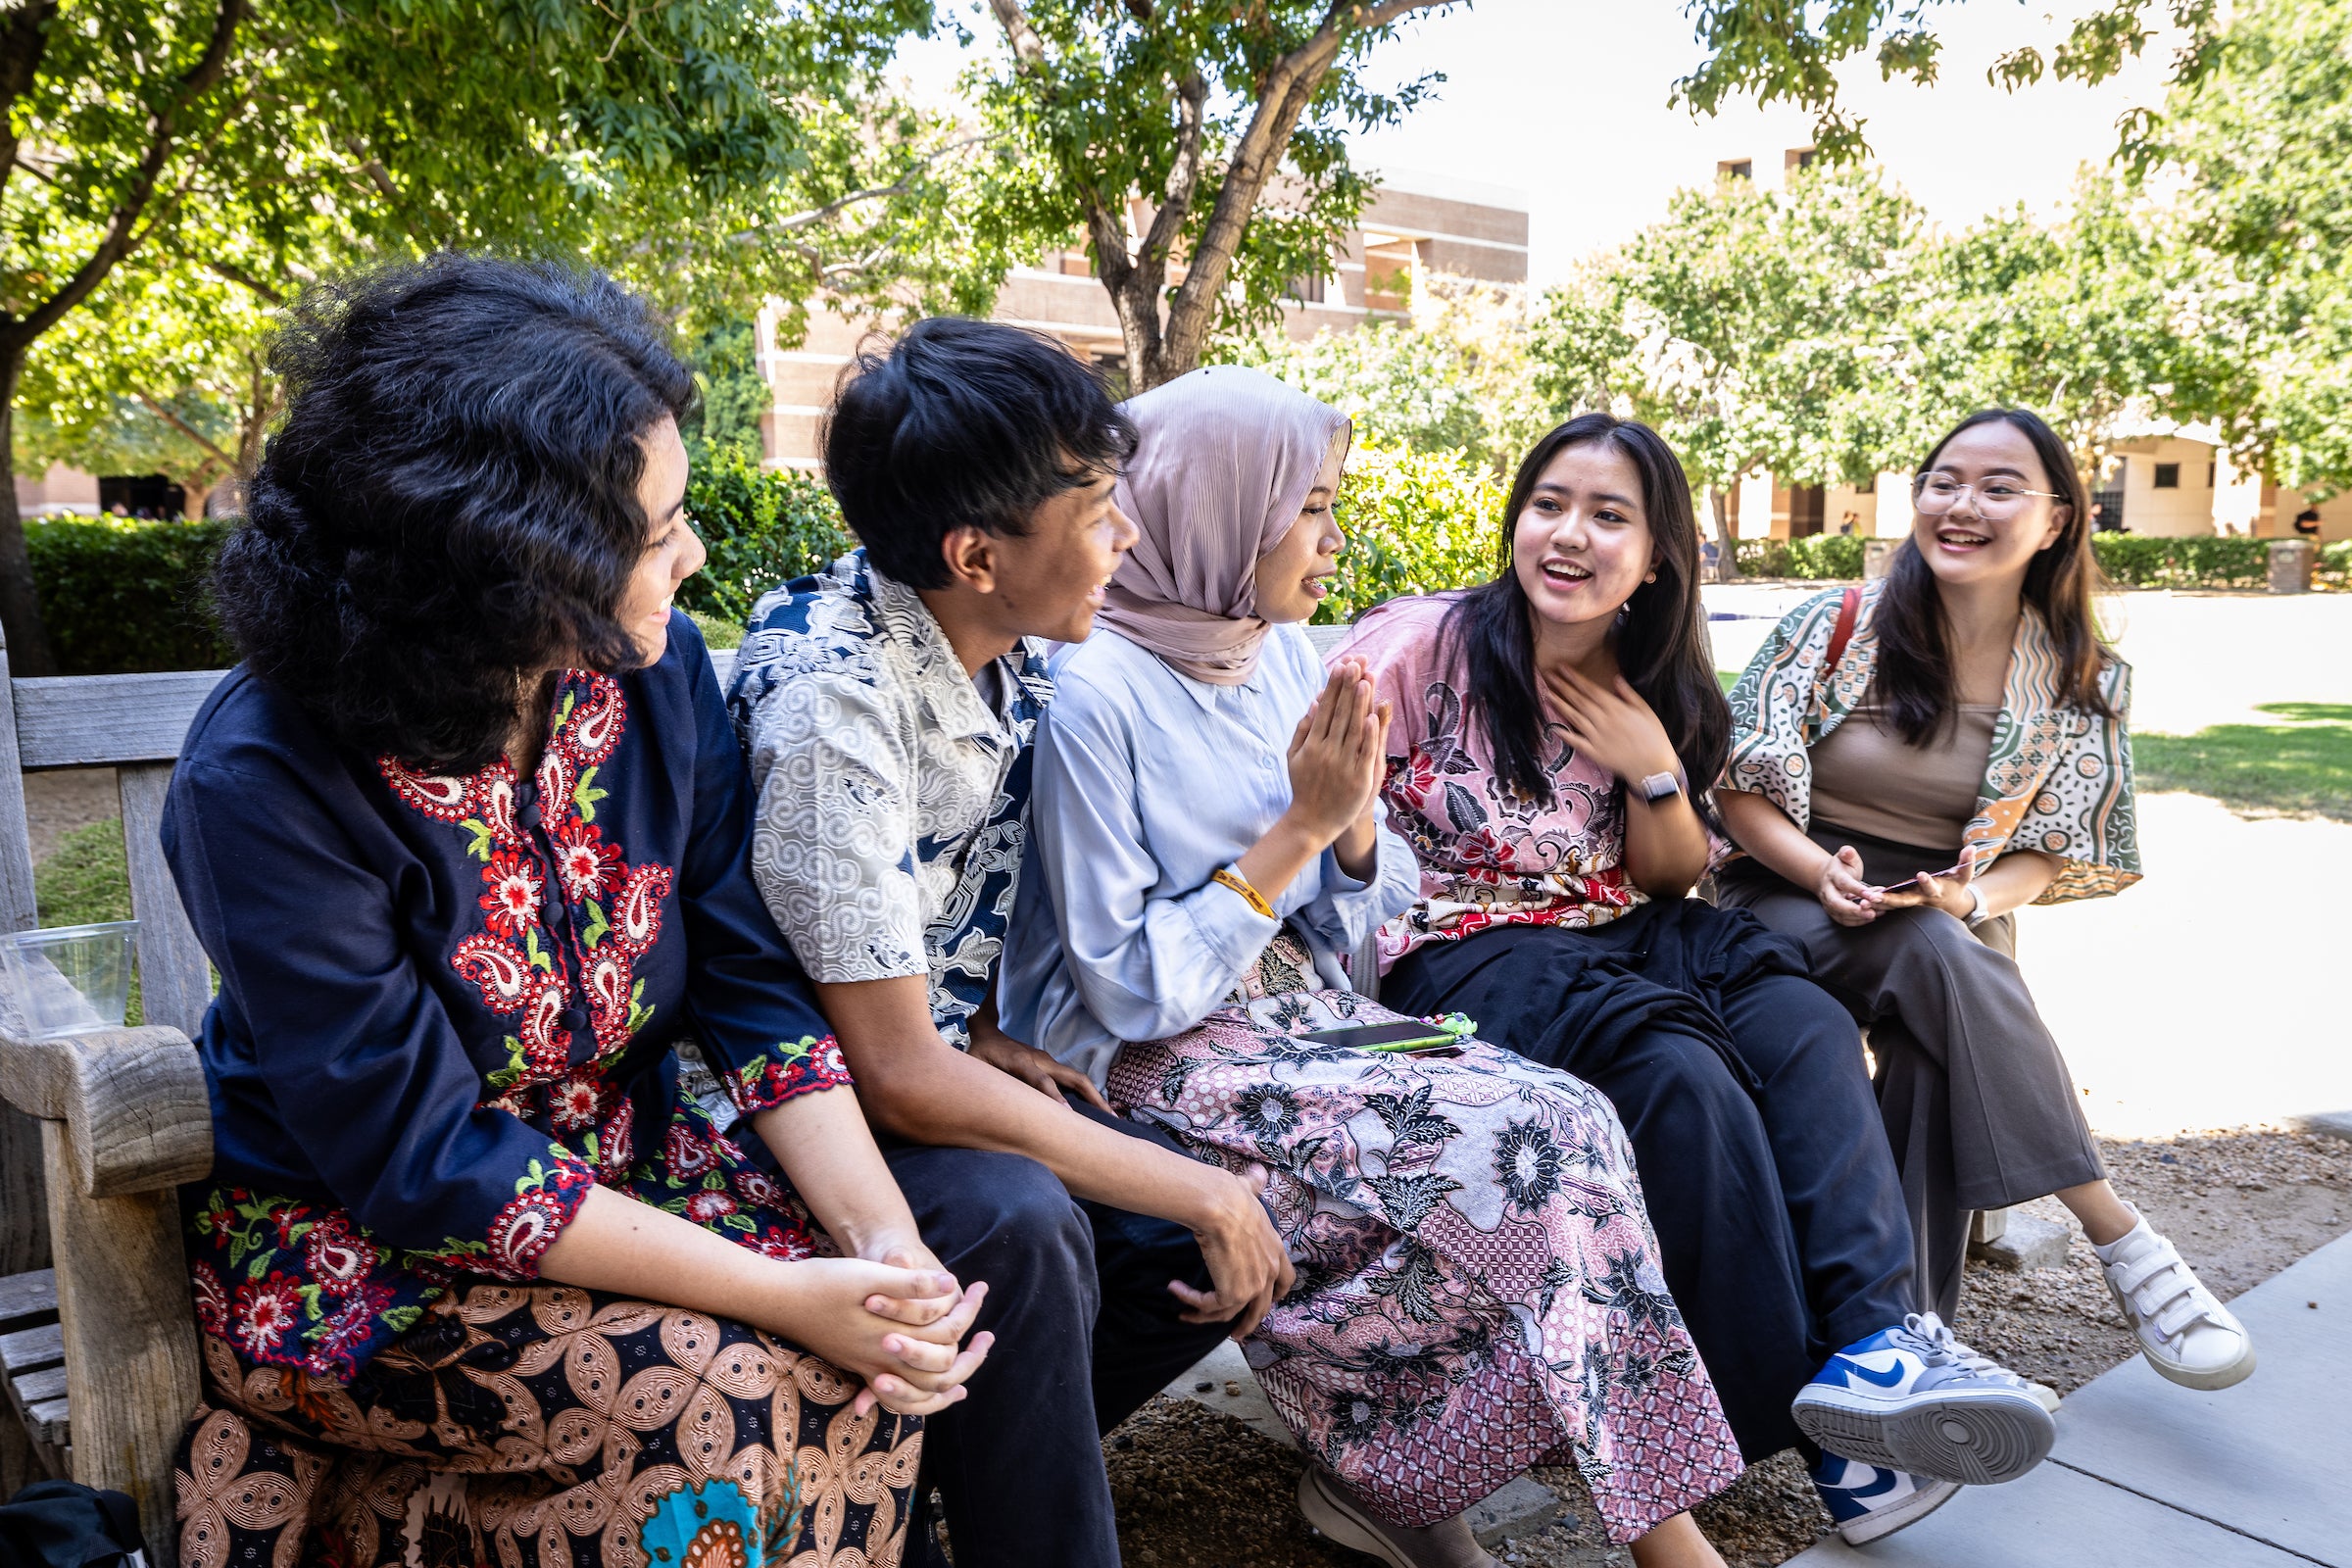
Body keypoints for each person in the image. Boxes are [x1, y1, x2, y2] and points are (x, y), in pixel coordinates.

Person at [165, 258, 989, 1568]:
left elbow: (743, 979)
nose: (694, 553)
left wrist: (878, 1248)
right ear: (507, 569)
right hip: (358, 1254)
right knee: (712, 1392)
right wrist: (787, 1293)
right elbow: (423, 1160)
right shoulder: (263, 779)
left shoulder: (643, 681)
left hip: (629, 1166)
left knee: (873, 1343)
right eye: (658, 533)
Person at [1000, 367, 1742, 1568]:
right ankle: (1640, 1546)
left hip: (1303, 1019)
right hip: (1152, 1056)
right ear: (1222, 512)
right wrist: (1297, 830)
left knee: (1565, 1133)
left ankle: (1421, 1497)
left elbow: (1376, 890)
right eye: (1311, 508)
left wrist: (1346, 832)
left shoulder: (1280, 654)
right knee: (1530, 1139)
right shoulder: (1098, 697)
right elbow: (1121, 987)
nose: (1336, 541)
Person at [1334, 413, 2056, 1547]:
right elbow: (1330, 837)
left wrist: (1655, 771)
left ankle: (1874, 1347)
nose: (1568, 536)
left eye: (1609, 516)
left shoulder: (1656, 674)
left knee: (1805, 1021)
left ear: (1659, 552)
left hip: (1631, 928)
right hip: (1464, 947)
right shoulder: (1420, 647)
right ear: (1517, 518)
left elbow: (1667, 876)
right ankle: (1828, 1444)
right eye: (1549, 504)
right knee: (1683, 1073)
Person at [726, 318, 1278, 1568]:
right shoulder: (837, 700)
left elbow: (916, 926)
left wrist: (985, 1035)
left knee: (1166, 1245)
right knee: (1033, 1218)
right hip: (777, 1125)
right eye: (1097, 510)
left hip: (902, 1065)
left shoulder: (999, 653)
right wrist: (1201, 1186)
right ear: (977, 554)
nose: (1126, 537)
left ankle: (924, 1489)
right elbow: (890, 1074)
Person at [1714, 408, 2255, 1392]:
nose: (1962, 505)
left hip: (1948, 906)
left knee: (1932, 1025)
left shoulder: (2079, 676)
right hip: (1789, 887)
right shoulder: (1836, 624)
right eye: (1944, 481)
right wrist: (1818, 871)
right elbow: (1740, 790)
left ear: (2056, 520)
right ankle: (2124, 1239)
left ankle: (1906, 1343)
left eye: (2000, 487)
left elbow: (2047, 850)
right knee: (1938, 958)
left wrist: (1967, 896)